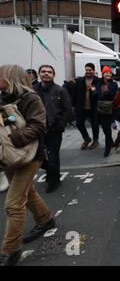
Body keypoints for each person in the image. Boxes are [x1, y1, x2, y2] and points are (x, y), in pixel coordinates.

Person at [0, 65, 55, 266]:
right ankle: (45, 219)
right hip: (9, 157)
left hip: (30, 156)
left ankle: (10, 250)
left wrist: (14, 138)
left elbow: (40, 126)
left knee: (13, 203)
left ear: (10, 77)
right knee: (27, 192)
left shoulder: (31, 99)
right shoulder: (3, 97)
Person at [34, 65, 72, 193]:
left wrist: (60, 125)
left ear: (53, 75)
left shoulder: (60, 90)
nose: (46, 74)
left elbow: (67, 110)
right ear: (39, 74)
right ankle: (52, 173)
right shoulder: (33, 90)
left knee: (53, 155)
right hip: (37, 129)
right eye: (43, 72)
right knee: (39, 156)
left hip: (54, 129)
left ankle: (53, 181)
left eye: (49, 72)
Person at [70, 63, 100, 150]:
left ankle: (95, 140)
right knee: (79, 124)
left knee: (95, 125)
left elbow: (100, 94)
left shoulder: (98, 81)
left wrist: (94, 91)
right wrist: (73, 105)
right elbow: (74, 93)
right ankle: (86, 138)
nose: (88, 72)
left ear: (94, 70)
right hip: (81, 107)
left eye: (90, 70)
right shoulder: (79, 80)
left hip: (93, 107)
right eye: (86, 70)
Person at [97, 66, 118, 157]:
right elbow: (98, 96)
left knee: (108, 129)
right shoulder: (98, 84)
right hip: (101, 110)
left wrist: (107, 92)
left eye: (109, 73)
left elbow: (114, 96)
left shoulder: (114, 84)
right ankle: (110, 141)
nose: (108, 74)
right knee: (105, 129)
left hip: (111, 109)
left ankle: (107, 147)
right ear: (103, 74)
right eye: (106, 73)